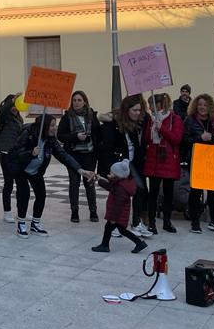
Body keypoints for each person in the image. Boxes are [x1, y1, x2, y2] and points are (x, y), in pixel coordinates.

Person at [10, 114, 80, 237]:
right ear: (44, 126)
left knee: (41, 195)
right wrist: (31, 153)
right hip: (21, 169)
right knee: (24, 194)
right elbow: (16, 154)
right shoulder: (28, 134)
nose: (55, 128)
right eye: (52, 125)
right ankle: (21, 224)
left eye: (55, 125)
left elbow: (63, 155)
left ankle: (35, 224)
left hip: (36, 171)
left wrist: (79, 169)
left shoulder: (50, 139)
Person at [97, 95, 152, 238]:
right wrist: (110, 169)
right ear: (127, 110)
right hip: (117, 166)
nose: (138, 113)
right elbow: (107, 149)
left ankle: (136, 223)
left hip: (132, 164)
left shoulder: (133, 124)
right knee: (119, 196)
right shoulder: (112, 125)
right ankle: (115, 225)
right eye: (135, 110)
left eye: (139, 110)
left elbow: (135, 145)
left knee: (140, 190)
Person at [142, 93, 184, 234]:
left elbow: (176, 139)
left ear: (161, 104)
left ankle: (167, 221)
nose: (150, 107)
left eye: (152, 104)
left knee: (168, 193)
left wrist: (162, 128)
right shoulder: (151, 119)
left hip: (168, 160)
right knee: (153, 193)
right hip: (154, 159)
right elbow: (147, 139)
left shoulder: (175, 119)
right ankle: (152, 222)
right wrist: (151, 130)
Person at [182, 94, 214, 233]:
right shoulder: (190, 120)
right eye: (200, 104)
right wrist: (199, 138)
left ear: (210, 106)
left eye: (205, 105)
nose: (202, 107)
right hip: (196, 159)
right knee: (196, 191)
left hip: (213, 160)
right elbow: (184, 140)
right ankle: (195, 222)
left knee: (213, 191)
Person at [57, 90, 100, 223]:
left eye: (79, 100)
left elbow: (98, 133)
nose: (76, 103)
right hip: (73, 155)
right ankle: (74, 212)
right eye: (74, 100)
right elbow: (60, 136)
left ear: (85, 102)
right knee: (74, 184)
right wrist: (75, 137)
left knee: (89, 183)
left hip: (89, 155)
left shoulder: (91, 115)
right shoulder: (67, 116)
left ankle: (93, 211)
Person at [90, 161, 147, 253]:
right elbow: (110, 187)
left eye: (111, 173)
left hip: (118, 215)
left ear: (117, 175)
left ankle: (105, 246)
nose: (109, 174)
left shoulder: (121, 188)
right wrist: (99, 180)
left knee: (110, 228)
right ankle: (139, 243)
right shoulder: (120, 183)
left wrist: (113, 218)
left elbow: (118, 204)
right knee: (122, 230)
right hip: (120, 214)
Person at [0, 93, 24, 223]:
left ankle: (21, 211)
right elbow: (2, 111)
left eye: (16, 105)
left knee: (21, 184)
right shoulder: (3, 117)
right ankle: (7, 212)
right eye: (12, 105)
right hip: (6, 154)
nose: (15, 107)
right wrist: (12, 100)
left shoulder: (19, 119)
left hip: (17, 154)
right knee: (9, 184)